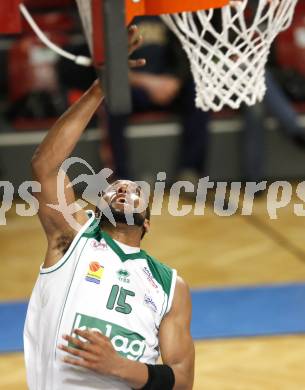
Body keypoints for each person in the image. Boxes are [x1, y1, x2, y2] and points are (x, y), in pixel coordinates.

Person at [23, 26, 195, 390]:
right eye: (115, 186)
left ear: (147, 222)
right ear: (98, 207)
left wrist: (119, 367)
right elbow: (45, 166)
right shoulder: (72, 237)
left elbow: (182, 379)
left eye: (135, 189)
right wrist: (102, 87)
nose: (124, 187)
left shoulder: (171, 286)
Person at [106, 16, 210, 183]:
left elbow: (185, 54)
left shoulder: (168, 14)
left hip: (167, 85)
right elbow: (109, 66)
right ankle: (122, 175)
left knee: (198, 95)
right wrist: (149, 83)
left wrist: (176, 80)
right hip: (135, 86)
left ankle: (189, 171)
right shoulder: (118, 14)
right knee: (115, 99)